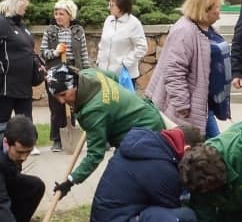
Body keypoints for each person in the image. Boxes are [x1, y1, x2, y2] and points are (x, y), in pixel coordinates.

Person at [47, 66, 168, 194]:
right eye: (56, 97)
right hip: (145, 114)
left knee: (120, 181)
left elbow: (95, 155)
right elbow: (113, 76)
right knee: (122, 178)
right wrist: (113, 105)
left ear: (74, 85)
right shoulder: (88, 74)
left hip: (145, 131)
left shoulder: (93, 112)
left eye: (63, 94)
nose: (61, 101)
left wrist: (70, 181)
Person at [147, 0, 225, 139]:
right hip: (187, 107)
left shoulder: (206, 28)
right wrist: (182, 104)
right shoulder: (185, 31)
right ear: (205, 10)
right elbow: (174, 71)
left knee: (207, 146)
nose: (219, 11)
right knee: (211, 147)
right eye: (217, 7)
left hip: (202, 103)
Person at [39, 0, 91, 151]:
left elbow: (83, 53)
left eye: (61, 14)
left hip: (73, 70)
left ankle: (73, 131)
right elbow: (43, 52)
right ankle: (57, 139)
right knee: (56, 106)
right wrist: (55, 52)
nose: (58, 16)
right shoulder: (50, 31)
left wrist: (86, 71)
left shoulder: (78, 31)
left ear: (70, 15)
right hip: (55, 71)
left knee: (73, 104)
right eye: (56, 13)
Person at [0, 0, 41, 127]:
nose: (25, 11)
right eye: (23, 8)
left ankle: (26, 140)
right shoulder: (0, 23)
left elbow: (29, 48)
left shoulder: (21, 25)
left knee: (26, 120)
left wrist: (37, 63)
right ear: (14, 7)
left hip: (24, 83)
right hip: (7, 83)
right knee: (3, 120)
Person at [96, 0, 148, 88]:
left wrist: (125, 63)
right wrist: (99, 61)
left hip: (124, 75)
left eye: (112, 5)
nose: (109, 7)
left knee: (122, 98)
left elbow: (142, 47)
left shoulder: (134, 23)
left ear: (121, 7)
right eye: (109, 4)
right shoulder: (108, 20)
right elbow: (102, 43)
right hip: (105, 74)